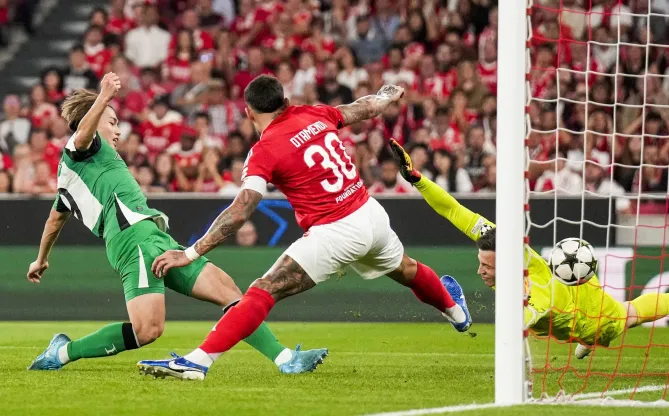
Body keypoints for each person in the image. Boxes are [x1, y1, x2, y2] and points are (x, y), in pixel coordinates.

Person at [137, 76, 472, 380]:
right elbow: (365, 107)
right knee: (405, 268)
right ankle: (456, 313)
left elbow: (240, 211)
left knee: (263, 289)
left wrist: (190, 252)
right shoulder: (314, 113)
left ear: (249, 112)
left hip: (335, 230)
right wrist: (387, 94)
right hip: (370, 212)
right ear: (284, 101)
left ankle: (198, 362)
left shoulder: (264, 151)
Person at [26, 73, 327, 375]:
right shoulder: (81, 149)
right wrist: (103, 97)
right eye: (112, 122)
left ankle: (285, 359)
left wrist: (41, 258)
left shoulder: (74, 177)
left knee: (228, 291)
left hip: (156, 238)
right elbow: (81, 137)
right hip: (132, 241)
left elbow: (55, 219)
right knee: (147, 330)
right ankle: (63, 351)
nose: (117, 130)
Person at [387, 139, 669, 359]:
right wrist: (417, 180)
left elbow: (523, 322)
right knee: (626, 311)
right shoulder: (503, 243)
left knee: (627, 315)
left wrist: (468, 314)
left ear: (508, 265)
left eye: (487, 266)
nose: (480, 270)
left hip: (592, 319)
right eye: (481, 263)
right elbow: (454, 210)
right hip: (572, 287)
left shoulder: (536, 294)